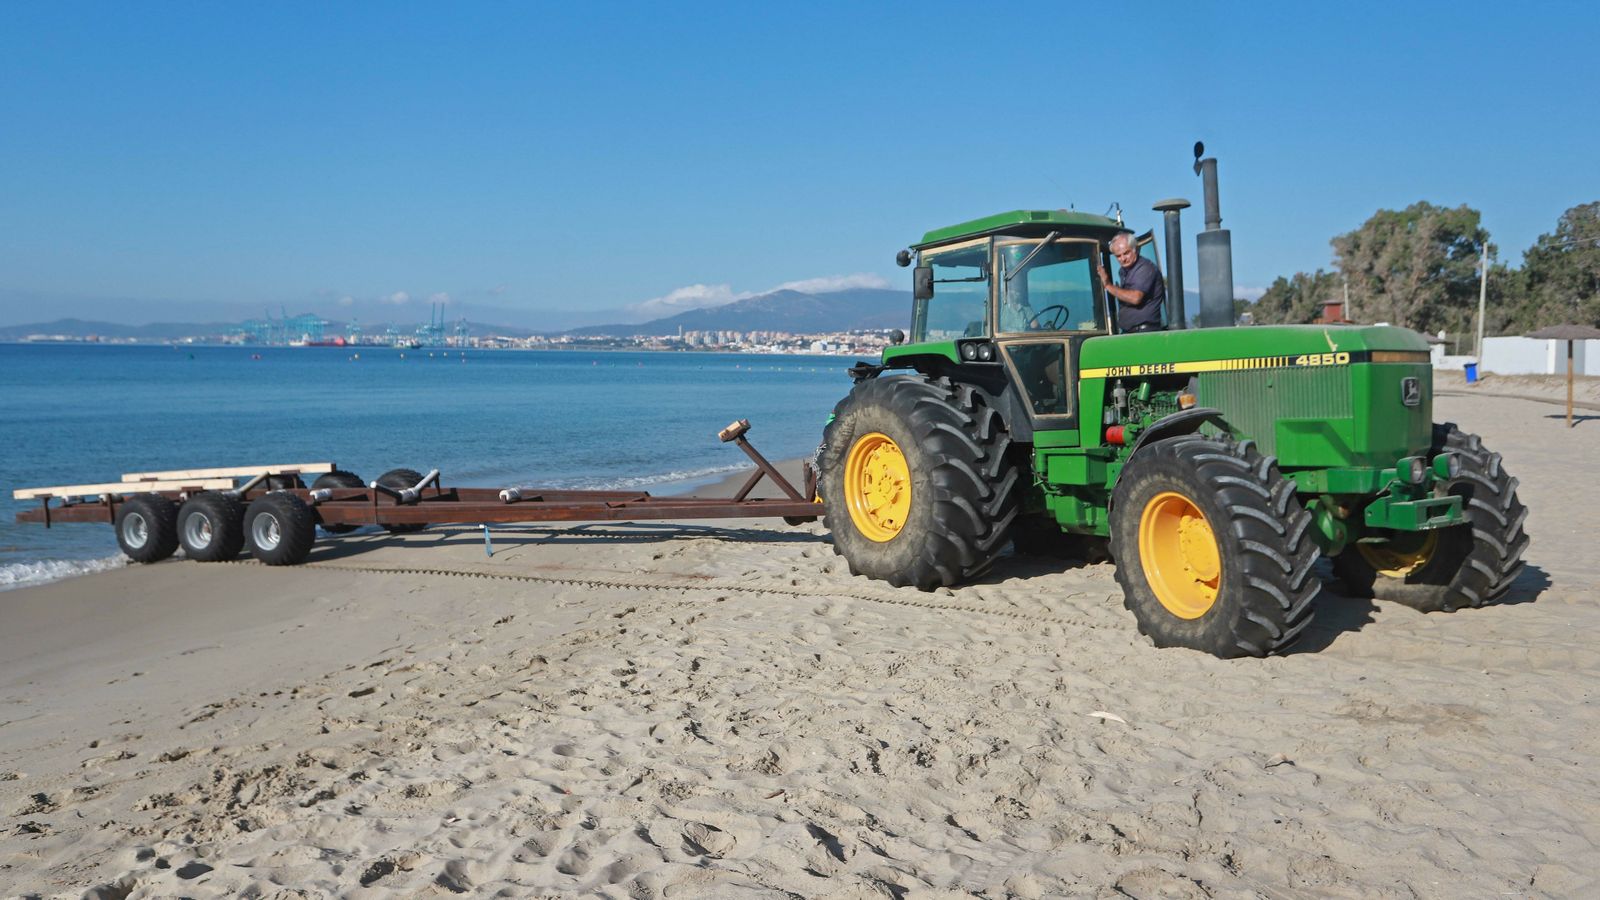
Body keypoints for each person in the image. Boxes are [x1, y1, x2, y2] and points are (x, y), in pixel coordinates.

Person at [1096, 233, 1166, 333]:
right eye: (1118, 256)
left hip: (1144, 332)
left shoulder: (1145, 268)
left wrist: (1108, 286)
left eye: (1126, 253)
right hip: (1129, 331)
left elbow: (1135, 298)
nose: (1123, 259)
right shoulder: (1124, 271)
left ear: (1135, 249)